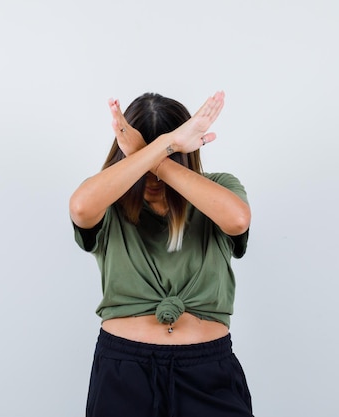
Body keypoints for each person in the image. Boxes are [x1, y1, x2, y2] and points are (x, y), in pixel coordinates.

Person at [69, 91, 254, 417]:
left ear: (187, 151)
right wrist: (167, 145)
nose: (153, 178)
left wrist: (156, 158)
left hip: (207, 370)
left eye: (173, 152)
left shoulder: (219, 186)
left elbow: (237, 220)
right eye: (148, 154)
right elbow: (81, 208)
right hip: (125, 372)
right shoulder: (107, 195)